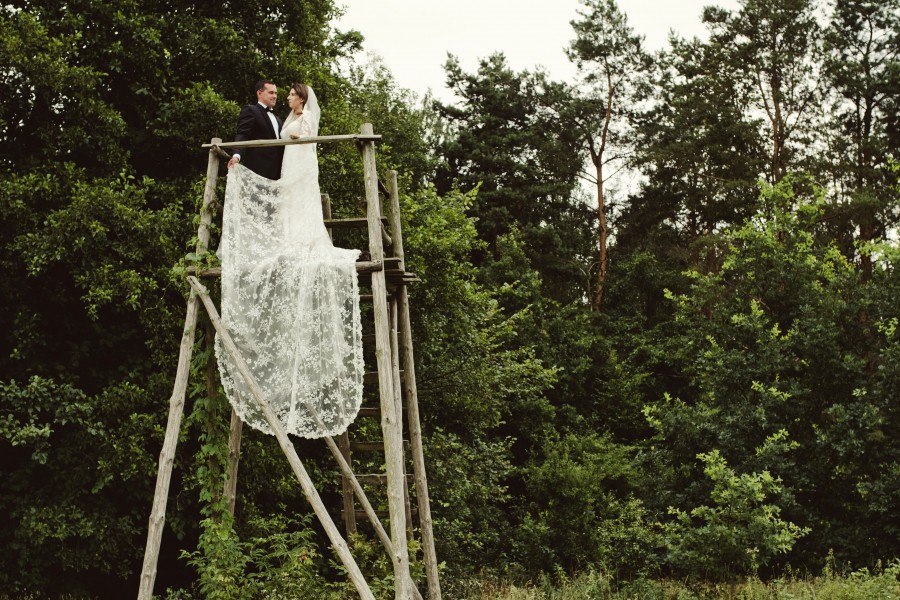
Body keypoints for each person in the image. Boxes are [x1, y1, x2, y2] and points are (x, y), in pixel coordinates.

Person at [216, 83, 364, 439]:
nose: (280, 97)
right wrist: (236, 155)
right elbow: (243, 136)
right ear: (260, 94)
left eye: (286, 95)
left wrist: (297, 140)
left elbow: (305, 139)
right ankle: (291, 239)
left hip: (299, 167)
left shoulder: (304, 116)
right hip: (282, 170)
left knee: (298, 206)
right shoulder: (262, 113)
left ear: (301, 98)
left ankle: (304, 240)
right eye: (273, 93)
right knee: (286, 209)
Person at [227, 80, 284, 180]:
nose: (275, 96)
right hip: (258, 171)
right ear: (259, 93)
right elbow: (242, 134)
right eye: (271, 92)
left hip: (278, 174)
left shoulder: (278, 119)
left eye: (275, 93)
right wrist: (236, 155)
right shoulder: (251, 110)